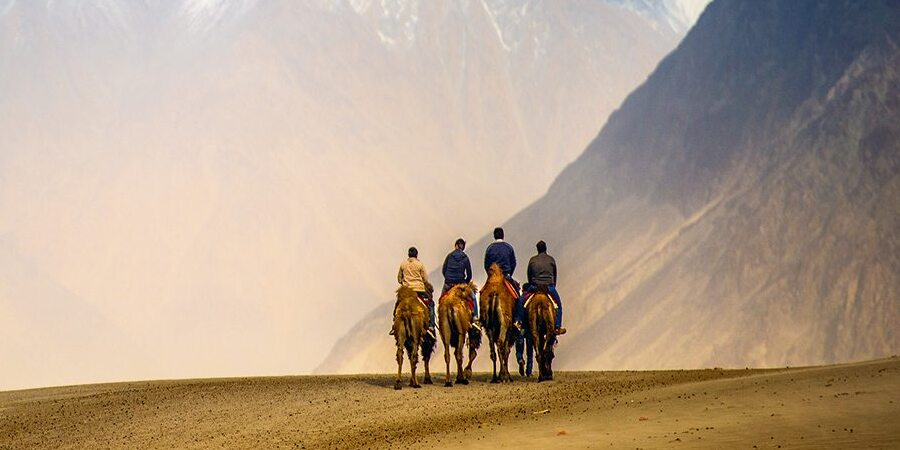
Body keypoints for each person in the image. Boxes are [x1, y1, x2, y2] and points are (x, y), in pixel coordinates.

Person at [514, 240, 565, 335]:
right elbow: (554, 275)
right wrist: (552, 286)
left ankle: (519, 321)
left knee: (521, 301)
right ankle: (557, 326)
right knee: (559, 306)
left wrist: (532, 284)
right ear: (545, 249)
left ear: (537, 249)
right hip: (549, 287)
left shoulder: (532, 260)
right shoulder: (551, 259)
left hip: (535, 287)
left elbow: (529, 275)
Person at [392, 246, 435, 338]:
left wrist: (405, 282)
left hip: (406, 291)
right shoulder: (420, 264)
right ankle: (431, 326)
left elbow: (399, 279)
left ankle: (394, 324)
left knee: (397, 305)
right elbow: (425, 279)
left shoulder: (403, 264)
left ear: (408, 255)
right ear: (416, 255)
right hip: (419, 290)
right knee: (430, 304)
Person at [441, 238, 480, 330]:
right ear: (463, 247)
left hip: (448, 284)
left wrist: (448, 279)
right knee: (473, 298)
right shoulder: (465, 257)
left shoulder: (449, 256)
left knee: (441, 300)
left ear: (456, 245)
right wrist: (465, 283)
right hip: (460, 284)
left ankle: (441, 318)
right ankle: (475, 318)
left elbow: (444, 270)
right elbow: (469, 274)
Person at [483, 227, 519, 294]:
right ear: (503, 235)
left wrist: (490, 275)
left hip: (493, 277)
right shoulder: (509, 247)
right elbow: (513, 264)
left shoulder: (489, 248)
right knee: (517, 296)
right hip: (505, 276)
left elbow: (486, 265)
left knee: (482, 292)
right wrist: (509, 274)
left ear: (494, 236)